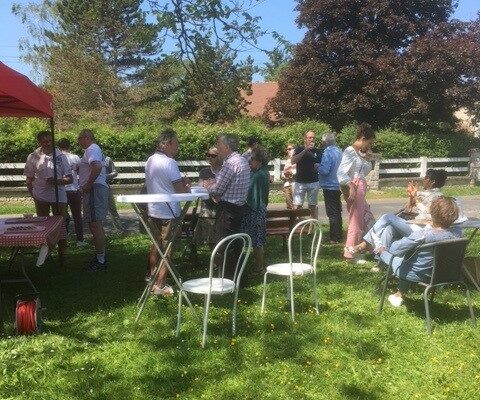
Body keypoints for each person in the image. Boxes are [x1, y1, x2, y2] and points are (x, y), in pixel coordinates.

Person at [367, 197, 461, 307]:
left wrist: (387, 248)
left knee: (389, 254)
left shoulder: (423, 235)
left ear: (432, 214)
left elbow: (394, 249)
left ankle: (378, 251)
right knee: (412, 259)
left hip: (418, 274)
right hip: (446, 275)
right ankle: (399, 295)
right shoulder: (458, 234)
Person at [145, 129, 191, 296]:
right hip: (169, 211)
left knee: (156, 244)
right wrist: (187, 185)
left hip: (154, 209)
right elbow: (180, 191)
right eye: (176, 143)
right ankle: (160, 284)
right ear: (168, 143)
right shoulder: (170, 163)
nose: (177, 147)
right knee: (168, 247)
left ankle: (151, 277)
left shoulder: (150, 160)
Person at [203, 134, 250, 279]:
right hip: (240, 207)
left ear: (227, 147)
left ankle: (228, 279)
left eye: (219, 145)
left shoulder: (230, 164)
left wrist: (207, 186)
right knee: (236, 244)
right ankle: (239, 277)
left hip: (228, 209)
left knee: (225, 244)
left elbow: (217, 189)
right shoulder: (243, 160)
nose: (217, 149)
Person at [24, 131, 72, 254]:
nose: (48, 143)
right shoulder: (33, 157)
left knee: (60, 224)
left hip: (58, 195)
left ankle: (62, 253)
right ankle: (45, 253)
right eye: (44, 141)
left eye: (50, 141)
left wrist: (57, 181)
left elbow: (70, 179)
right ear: (39, 142)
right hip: (40, 195)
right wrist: (33, 195)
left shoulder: (60, 156)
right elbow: (29, 179)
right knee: (42, 225)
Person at [337, 123, 376, 261]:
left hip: (360, 188)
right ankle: (350, 253)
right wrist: (351, 186)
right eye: (369, 143)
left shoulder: (359, 153)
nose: (369, 146)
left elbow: (365, 171)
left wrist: (368, 159)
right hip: (356, 187)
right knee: (356, 221)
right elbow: (341, 173)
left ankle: (368, 248)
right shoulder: (350, 151)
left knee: (367, 219)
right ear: (363, 139)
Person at [77, 129, 109, 271]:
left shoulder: (92, 149)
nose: (78, 142)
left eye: (79, 139)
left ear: (86, 138)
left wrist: (88, 185)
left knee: (95, 225)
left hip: (94, 189)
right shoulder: (93, 149)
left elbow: (96, 166)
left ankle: (101, 261)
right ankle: (100, 256)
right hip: (95, 189)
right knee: (95, 224)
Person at [242, 147, 270, 275]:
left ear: (259, 161)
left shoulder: (258, 175)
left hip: (255, 209)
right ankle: (258, 265)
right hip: (260, 207)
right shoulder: (263, 172)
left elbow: (247, 192)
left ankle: (259, 267)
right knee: (257, 239)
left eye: (252, 159)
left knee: (257, 241)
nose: (249, 161)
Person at [58, 138, 85, 247]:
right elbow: (80, 171)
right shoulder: (75, 157)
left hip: (61, 190)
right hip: (74, 189)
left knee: (61, 217)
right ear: (69, 146)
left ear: (58, 147)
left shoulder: (57, 158)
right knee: (77, 216)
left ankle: (62, 240)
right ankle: (80, 240)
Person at [192, 146, 222, 247]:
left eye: (213, 155)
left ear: (220, 156)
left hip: (221, 205)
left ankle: (217, 251)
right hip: (208, 205)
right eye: (208, 155)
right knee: (206, 213)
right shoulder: (204, 172)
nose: (209, 157)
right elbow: (200, 188)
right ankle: (212, 248)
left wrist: (209, 186)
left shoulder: (224, 171)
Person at [291, 130, 322, 219]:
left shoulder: (317, 151)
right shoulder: (299, 149)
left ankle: (313, 226)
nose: (312, 139)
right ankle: (294, 224)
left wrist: (319, 165)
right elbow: (293, 161)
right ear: (305, 139)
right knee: (297, 206)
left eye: (313, 138)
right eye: (310, 138)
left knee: (312, 206)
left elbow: (321, 163)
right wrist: (305, 150)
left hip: (313, 182)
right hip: (300, 182)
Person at [318, 132, 343, 243]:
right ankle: (339, 234)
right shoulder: (339, 151)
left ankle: (334, 237)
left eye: (322, 141)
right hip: (338, 185)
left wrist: (317, 166)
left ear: (325, 142)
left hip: (329, 186)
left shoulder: (327, 153)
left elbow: (325, 170)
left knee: (331, 213)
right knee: (337, 211)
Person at [104, 155, 123, 231]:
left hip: (105, 186)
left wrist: (105, 176)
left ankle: (119, 229)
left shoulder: (107, 159)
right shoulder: (87, 159)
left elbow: (115, 172)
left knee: (112, 208)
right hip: (92, 188)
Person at [281, 143, 296, 209]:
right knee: (289, 205)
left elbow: (300, 170)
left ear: (294, 150)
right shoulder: (287, 160)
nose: (287, 150)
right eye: (287, 149)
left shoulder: (297, 158)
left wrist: (292, 173)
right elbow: (283, 172)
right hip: (287, 184)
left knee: (296, 204)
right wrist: (284, 175)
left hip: (294, 183)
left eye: (289, 149)